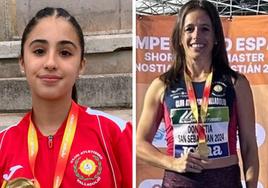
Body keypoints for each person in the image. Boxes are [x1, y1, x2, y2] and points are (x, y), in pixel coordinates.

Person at [0, 7, 132, 188]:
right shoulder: (3, 144)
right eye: (39, 51)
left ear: (81, 65)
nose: (51, 63)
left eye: (65, 53)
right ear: (22, 62)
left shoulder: (116, 133)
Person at [136, 0, 259, 187]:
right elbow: (139, 145)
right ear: (179, 36)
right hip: (179, 181)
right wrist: (171, 162)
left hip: (225, 181)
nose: (196, 35)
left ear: (216, 36)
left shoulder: (236, 83)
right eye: (189, 29)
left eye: (205, 29)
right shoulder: (161, 85)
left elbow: (249, 147)